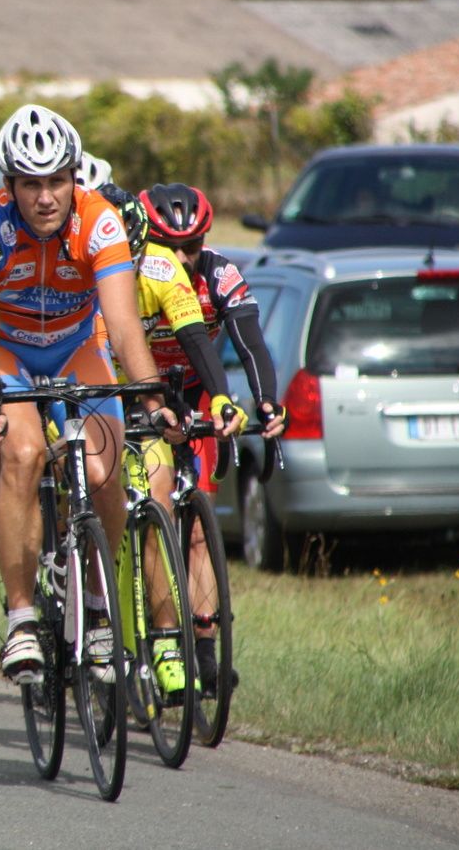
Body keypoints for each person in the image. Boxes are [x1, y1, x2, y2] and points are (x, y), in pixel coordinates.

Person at [0, 104, 175, 684]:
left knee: (105, 470)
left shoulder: (100, 221)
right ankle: (22, 621)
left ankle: (100, 608)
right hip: (8, 353)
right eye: (31, 184)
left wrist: (152, 399)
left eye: (57, 181)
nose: (46, 197)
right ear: (10, 186)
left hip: (75, 349)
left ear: (74, 178)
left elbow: (124, 329)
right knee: (22, 455)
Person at [98, 181, 243, 696]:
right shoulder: (76, 273)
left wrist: (223, 399)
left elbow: (197, 338)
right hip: (96, 384)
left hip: (153, 391)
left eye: (130, 257)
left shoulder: (160, 266)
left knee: (158, 489)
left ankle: (167, 640)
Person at [140, 181, 286, 693]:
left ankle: (203, 647)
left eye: (192, 247)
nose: (181, 258)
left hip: (198, 391)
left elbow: (250, 344)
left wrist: (267, 401)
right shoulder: (133, 271)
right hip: (138, 392)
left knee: (198, 523)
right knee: (145, 501)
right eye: (170, 246)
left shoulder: (221, 272)